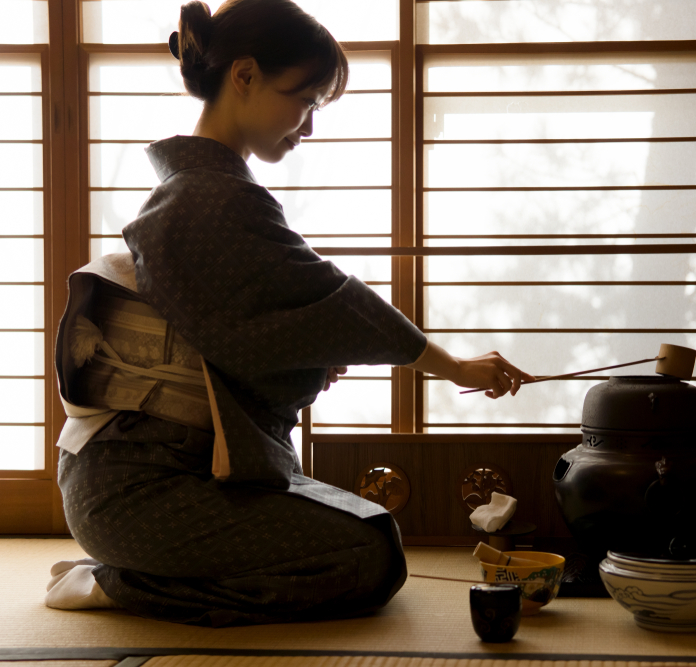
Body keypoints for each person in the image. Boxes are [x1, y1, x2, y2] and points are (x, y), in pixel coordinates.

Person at [45, 0, 533, 627]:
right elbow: (337, 303)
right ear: (243, 75)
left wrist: (307, 354)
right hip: (141, 489)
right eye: (303, 100)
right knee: (367, 557)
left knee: (373, 527)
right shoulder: (206, 198)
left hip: (153, 477)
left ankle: (141, 571)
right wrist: (454, 367)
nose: (307, 127)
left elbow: (270, 329)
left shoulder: (208, 192)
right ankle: (116, 585)